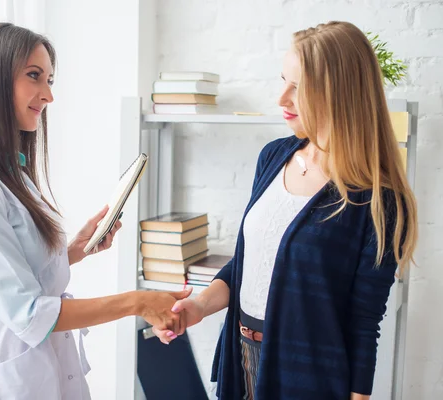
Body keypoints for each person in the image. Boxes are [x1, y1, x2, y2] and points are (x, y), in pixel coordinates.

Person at [153, 21, 418, 400]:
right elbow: (247, 261)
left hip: (308, 377)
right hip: (240, 356)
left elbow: (364, 321)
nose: (282, 98)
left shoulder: (378, 199)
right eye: (283, 81)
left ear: (340, 92)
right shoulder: (274, 157)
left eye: (299, 87)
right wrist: (197, 306)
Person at [0, 22, 191, 400]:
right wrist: (137, 301)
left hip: (40, 366)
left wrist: (77, 249)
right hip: (5, 379)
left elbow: (18, 273)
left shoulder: (5, 170)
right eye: (34, 76)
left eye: (50, 79)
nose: (48, 95)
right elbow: (29, 312)